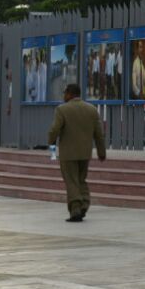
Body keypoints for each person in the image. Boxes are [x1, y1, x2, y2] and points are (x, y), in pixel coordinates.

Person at [47, 82, 106, 222]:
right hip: (85, 153)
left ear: (70, 94)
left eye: (65, 93)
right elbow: (99, 134)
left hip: (68, 153)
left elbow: (54, 129)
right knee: (81, 179)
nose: (63, 96)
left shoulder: (62, 110)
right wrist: (101, 151)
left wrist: (51, 142)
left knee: (71, 181)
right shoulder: (91, 109)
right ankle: (85, 203)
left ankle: (76, 209)